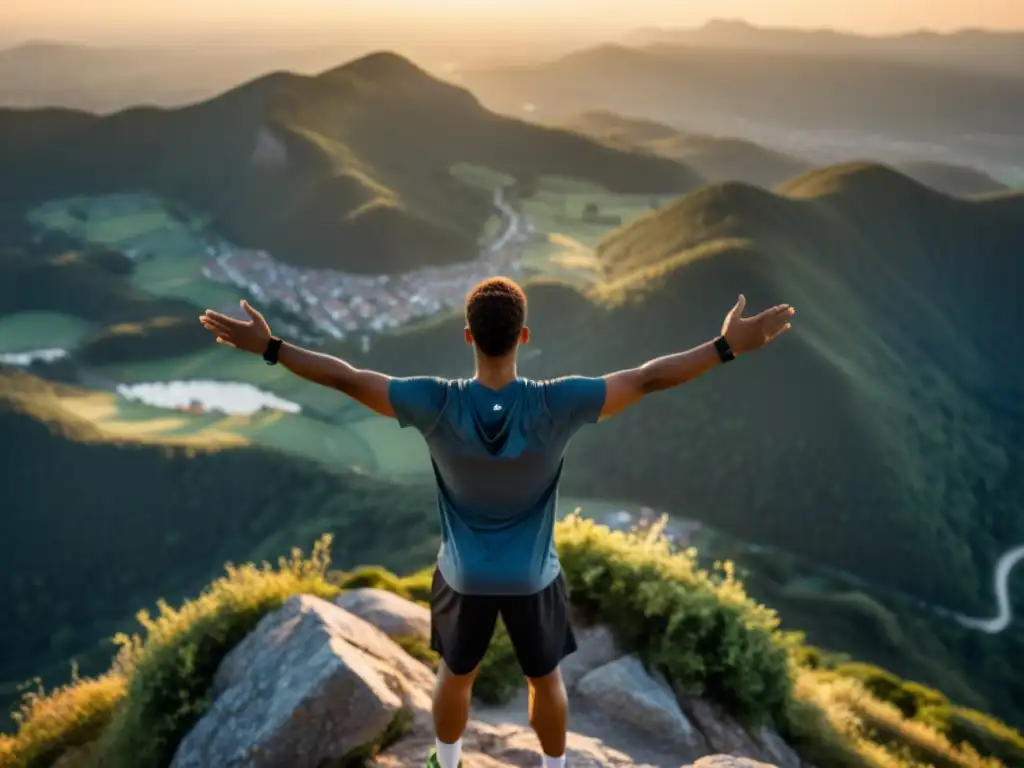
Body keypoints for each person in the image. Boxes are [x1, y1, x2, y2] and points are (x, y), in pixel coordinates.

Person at [198, 277, 795, 768]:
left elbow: (346, 377)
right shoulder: (558, 403)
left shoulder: (435, 402)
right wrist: (725, 346)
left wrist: (271, 347)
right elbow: (647, 377)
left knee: (456, 677)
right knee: (546, 683)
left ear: (467, 337)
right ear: (524, 336)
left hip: (463, 579)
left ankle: (447, 762)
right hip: (534, 580)